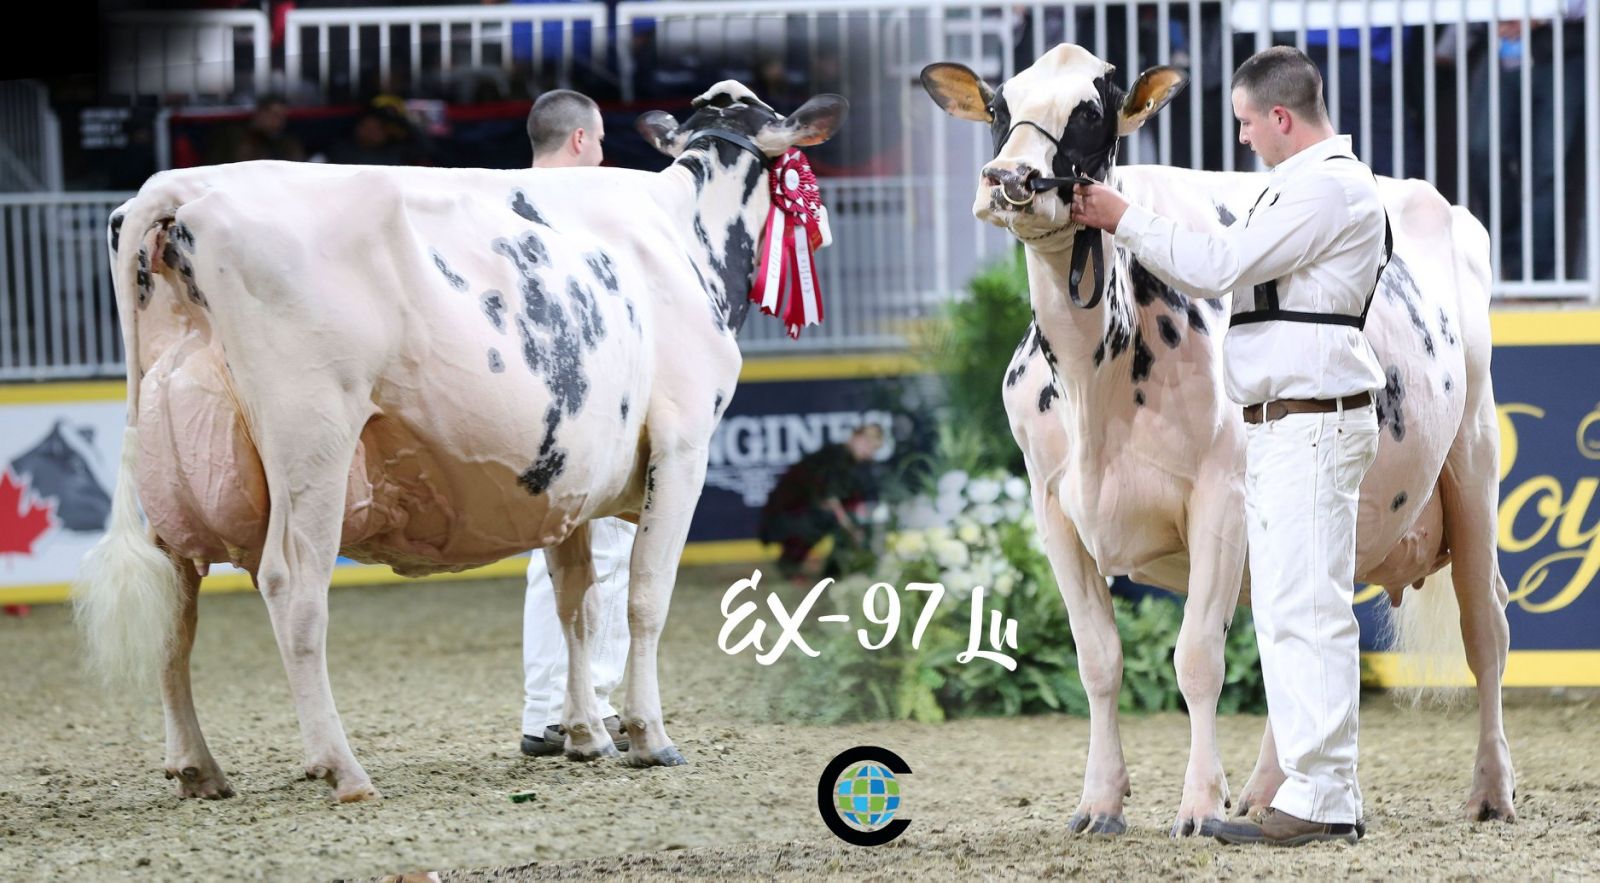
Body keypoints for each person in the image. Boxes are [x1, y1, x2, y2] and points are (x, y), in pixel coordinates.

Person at [1070, 46, 1387, 846]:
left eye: (1247, 122)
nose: (1242, 137)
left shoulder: (1331, 186)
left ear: (1281, 116)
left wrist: (1123, 216)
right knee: (1284, 609)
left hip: (1313, 419)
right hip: (1281, 421)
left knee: (1308, 608)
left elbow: (1220, 266)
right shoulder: (1300, 186)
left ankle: (1325, 797)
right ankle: (1314, 789)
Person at [519, 88, 627, 758]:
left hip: (522, 401)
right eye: (602, 139)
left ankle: (545, 709)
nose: (605, 152)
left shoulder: (500, 199)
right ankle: (593, 702)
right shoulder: (591, 204)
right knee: (605, 550)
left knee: (551, 555)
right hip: (584, 398)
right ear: (580, 140)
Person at [758, 424, 885, 581]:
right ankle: (794, 564)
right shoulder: (834, 458)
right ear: (855, 437)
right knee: (829, 519)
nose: (869, 452)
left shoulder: (850, 462)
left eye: (874, 449)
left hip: (797, 514)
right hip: (785, 517)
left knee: (844, 519)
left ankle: (835, 570)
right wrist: (851, 529)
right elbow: (829, 500)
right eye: (867, 444)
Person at [204, 94, 305, 165]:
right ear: (260, 113)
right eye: (273, 114)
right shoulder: (234, 137)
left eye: (282, 117)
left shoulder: (287, 143)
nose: (277, 121)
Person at [524, 88, 604, 169]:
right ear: (579, 139)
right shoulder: (608, 176)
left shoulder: (516, 176)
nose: (602, 156)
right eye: (600, 140)